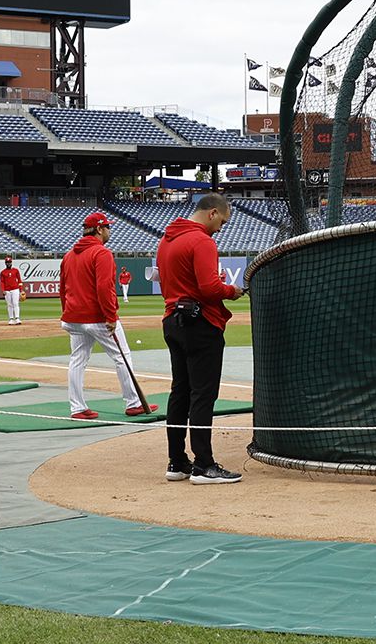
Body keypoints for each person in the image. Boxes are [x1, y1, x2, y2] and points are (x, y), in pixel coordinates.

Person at [158, 193, 246, 484]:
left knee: (180, 392)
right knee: (202, 395)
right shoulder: (202, 241)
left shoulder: (167, 240)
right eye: (222, 220)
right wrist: (231, 291)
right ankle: (204, 465)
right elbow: (209, 288)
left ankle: (177, 462)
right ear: (211, 213)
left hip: (173, 320)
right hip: (200, 324)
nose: (221, 227)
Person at [60, 215, 155, 426]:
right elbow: (105, 288)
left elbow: (62, 289)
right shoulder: (101, 253)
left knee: (77, 360)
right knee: (122, 357)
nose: (109, 232)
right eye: (108, 228)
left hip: (73, 317)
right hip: (97, 318)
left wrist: (66, 312)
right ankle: (133, 403)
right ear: (100, 229)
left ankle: (77, 408)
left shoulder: (68, 255)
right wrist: (111, 316)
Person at [0, 257, 24, 324]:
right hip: (7, 290)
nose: (8, 264)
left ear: (11, 263)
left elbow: (19, 280)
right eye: (7, 262)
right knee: (9, 305)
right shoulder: (3, 272)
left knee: (16, 303)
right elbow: (2, 282)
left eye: (9, 262)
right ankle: (11, 319)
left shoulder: (15, 270)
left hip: (15, 289)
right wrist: (3, 290)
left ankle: (17, 318)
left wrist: (21, 290)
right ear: (5, 263)